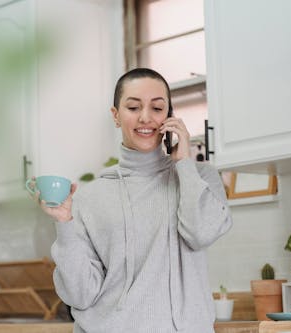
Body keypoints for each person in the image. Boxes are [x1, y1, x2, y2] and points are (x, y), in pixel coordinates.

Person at [29, 68, 232, 332]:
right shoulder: (89, 197)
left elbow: (201, 233)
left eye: (158, 108)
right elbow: (80, 294)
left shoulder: (200, 178)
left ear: (170, 116)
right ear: (116, 115)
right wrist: (65, 224)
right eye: (133, 107)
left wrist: (183, 162)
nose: (145, 117)